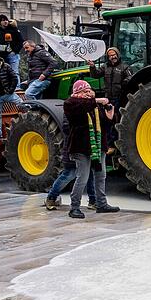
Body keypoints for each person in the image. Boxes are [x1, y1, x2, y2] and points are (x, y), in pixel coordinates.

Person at [62, 80, 120, 218]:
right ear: (77, 92)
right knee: (82, 177)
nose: (88, 92)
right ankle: (74, 208)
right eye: (85, 91)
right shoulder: (70, 103)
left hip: (98, 146)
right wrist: (98, 100)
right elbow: (82, 107)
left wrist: (110, 116)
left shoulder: (94, 104)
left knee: (101, 176)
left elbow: (105, 125)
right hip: (80, 147)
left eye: (89, 90)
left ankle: (101, 204)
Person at [45, 115, 97, 211]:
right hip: (73, 149)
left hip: (86, 149)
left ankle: (93, 200)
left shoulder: (88, 110)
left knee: (90, 174)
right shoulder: (71, 110)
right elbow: (67, 128)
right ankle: (51, 197)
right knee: (69, 173)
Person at [0, 14, 23, 87]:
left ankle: (17, 88)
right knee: (4, 72)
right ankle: (7, 87)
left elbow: (21, 41)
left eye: (6, 20)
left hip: (13, 54)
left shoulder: (13, 29)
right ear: (0, 22)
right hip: (3, 54)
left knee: (14, 72)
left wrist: (15, 51)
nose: (5, 22)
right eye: (3, 20)